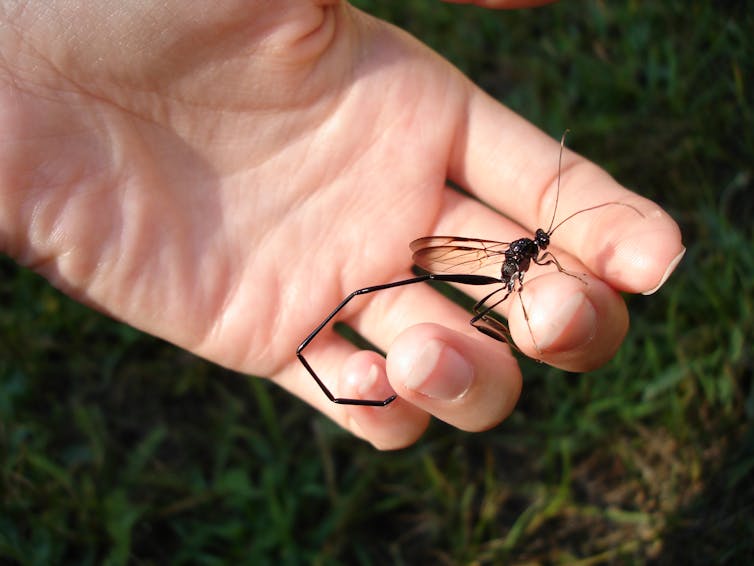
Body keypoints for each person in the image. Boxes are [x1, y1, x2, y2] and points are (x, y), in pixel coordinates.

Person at [0, 1, 683, 449]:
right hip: (462, 270)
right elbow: (463, 258)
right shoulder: (518, 253)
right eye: (540, 244)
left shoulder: (524, 254)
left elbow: (495, 263)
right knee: (498, 308)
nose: (540, 246)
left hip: (467, 274)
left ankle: (499, 326)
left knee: (515, 316)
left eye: (539, 244)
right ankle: (498, 324)